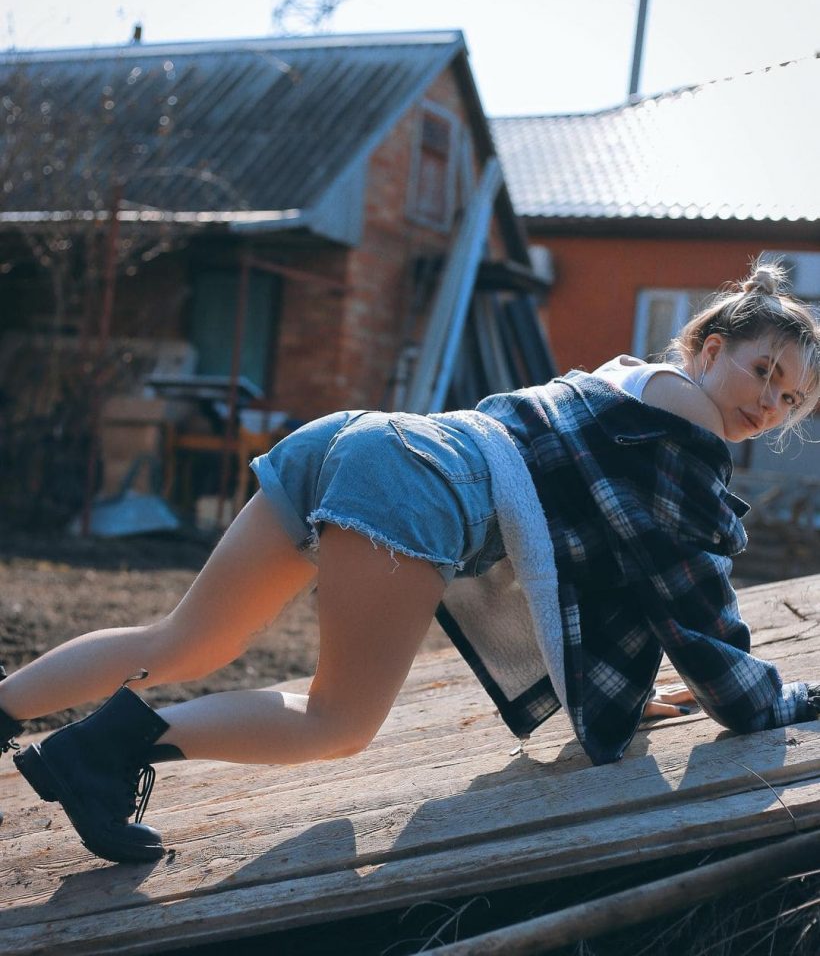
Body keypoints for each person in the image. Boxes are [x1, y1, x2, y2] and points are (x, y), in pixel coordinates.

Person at [2, 258, 820, 865]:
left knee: (185, 641)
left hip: (361, 436)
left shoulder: (629, 383)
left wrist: (624, 692)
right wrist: (767, 701)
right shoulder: (685, 425)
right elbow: (688, 592)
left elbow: (604, 567)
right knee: (338, 722)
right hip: (417, 482)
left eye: (790, 400)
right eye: (763, 371)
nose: (768, 403)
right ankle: (95, 755)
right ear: (709, 348)